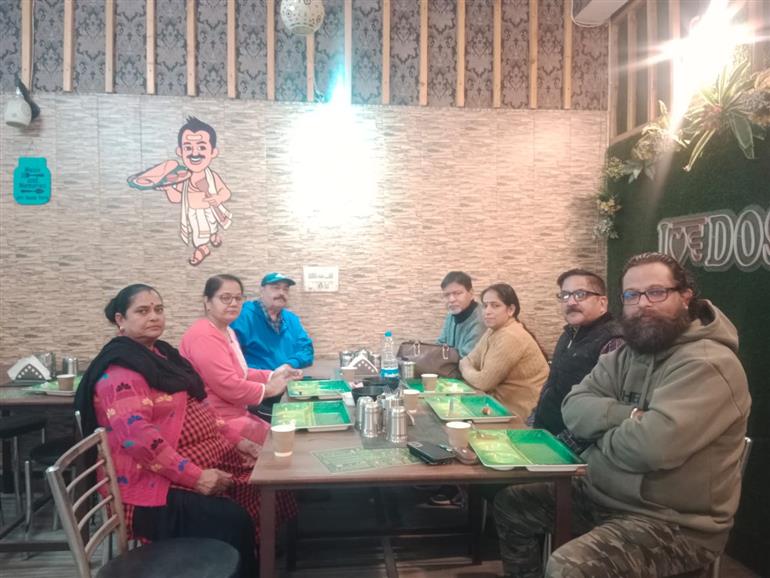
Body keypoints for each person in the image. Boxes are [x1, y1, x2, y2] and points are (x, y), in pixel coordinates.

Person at [494, 252, 751, 578]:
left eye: (656, 292)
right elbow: (573, 407)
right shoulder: (629, 353)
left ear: (685, 297)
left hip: (674, 523)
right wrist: (630, 416)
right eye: (632, 295)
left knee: (569, 567)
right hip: (603, 496)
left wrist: (600, 438)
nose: (643, 304)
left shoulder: (709, 364)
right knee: (513, 503)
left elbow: (651, 448)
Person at [74, 284, 297, 577]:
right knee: (233, 518)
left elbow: (203, 411)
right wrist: (197, 477)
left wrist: (238, 441)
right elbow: (139, 440)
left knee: (267, 482)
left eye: (158, 309)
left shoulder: (163, 356)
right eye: (142, 311)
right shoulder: (121, 371)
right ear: (120, 319)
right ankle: (243, 559)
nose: (154, 316)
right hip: (150, 489)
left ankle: (256, 556)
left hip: (188, 464)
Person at [180, 274, 303, 444]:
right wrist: (268, 389)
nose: (233, 303)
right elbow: (228, 385)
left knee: (292, 433)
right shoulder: (204, 336)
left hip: (237, 412)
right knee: (286, 440)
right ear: (207, 301)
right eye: (225, 298)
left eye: (238, 298)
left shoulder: (226, 330)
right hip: (218, 421)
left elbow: (240, 371)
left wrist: (274, 374)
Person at [531, 269, 623, 451]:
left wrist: (558, 448)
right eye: (565, 295)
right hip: (544, 436)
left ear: (602, 303)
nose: (571, 302)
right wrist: (532, 424)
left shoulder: (614, 341)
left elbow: (606, 412)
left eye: (581, 294)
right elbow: (552, 385)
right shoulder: (568, 334)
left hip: (573, 452)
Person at [459, 283, 549, 419]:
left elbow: (483, 382)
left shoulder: (511, 335)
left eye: (495, 306)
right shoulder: (493, 330)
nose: (487, 311)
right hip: (495, 405)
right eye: (485, 306)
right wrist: (467, 365)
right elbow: (472, 359)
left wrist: (464, 367)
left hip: (520, 415)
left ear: (511, 310)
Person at [160, 116, 233, 266]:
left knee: (212, 226)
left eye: (201, 147)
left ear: (213, 152)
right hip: (194, 213)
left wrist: (218, 198)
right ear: (180, 151)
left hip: (211, 210)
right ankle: (202, 249)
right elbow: (177, 198)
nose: (195, 153)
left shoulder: (212, 176)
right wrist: (168, 188)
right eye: (188, 148)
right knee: (199, 234)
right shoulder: (182, 177)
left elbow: (226, 192)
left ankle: (213, 236)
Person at [231, 272, 314, 371]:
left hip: (288, 378)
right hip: (256, 379)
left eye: (285, 289)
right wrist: (269, 375)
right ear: (262, 291)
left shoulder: (292, 319)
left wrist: (291, 364)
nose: (281, 293)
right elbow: (231, 356)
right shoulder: (242, 316)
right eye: (276, 288)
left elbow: (306, 349)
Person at [437, 271, 486, 357]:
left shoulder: (482, 319)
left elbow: (468, 358)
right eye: (447, 295)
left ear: (471, 293)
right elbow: (440, 344)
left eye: (457, 293)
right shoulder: (452, 315)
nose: (451, 299)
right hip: (449, 363)